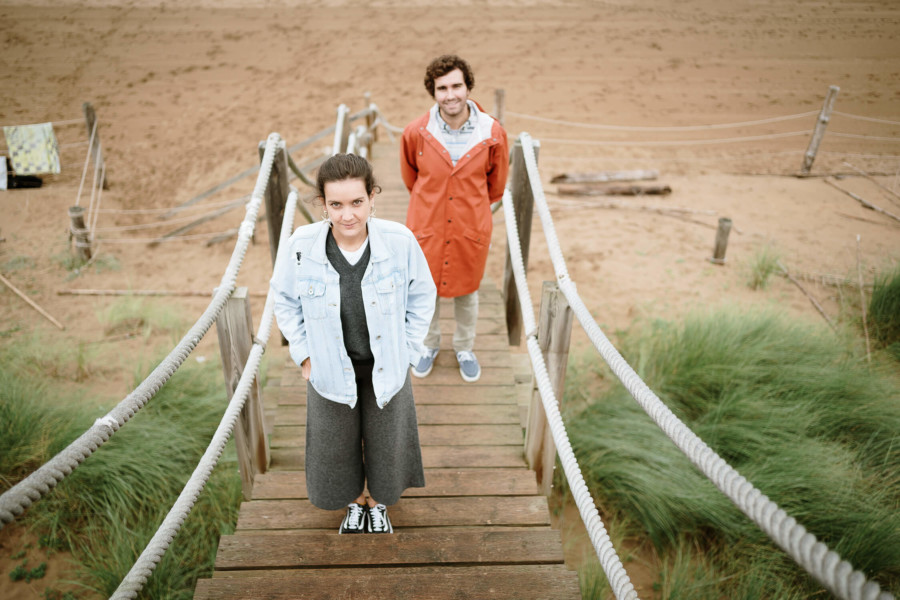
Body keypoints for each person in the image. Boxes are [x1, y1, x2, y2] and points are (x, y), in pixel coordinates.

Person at [270, 153, 436, 534]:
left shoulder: (400, 241)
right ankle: (354, 503)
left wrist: (409, 350)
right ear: (323, 204)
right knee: (334, 444)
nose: (347, 215)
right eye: (336, 205)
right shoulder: (301, 245)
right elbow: (284, 299)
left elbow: (422, 295)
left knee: (386, 440)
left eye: (357, 202)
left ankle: (377, 502)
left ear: (373, 197)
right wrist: (304, 352)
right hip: (329, 366)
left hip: (386, 364)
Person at [400, 54, 509, 383]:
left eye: (456, 86)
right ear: (433, 92)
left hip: (469, 225)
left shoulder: (493, 133)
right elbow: (411, 178)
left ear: (468, 86)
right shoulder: (415, 133)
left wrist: (468, 207)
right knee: (423, 289)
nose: (450, 95)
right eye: (442, 88)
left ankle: (464, 347)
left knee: (467, 292)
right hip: (427, 224)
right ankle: (428, 345)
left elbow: (497, 185)